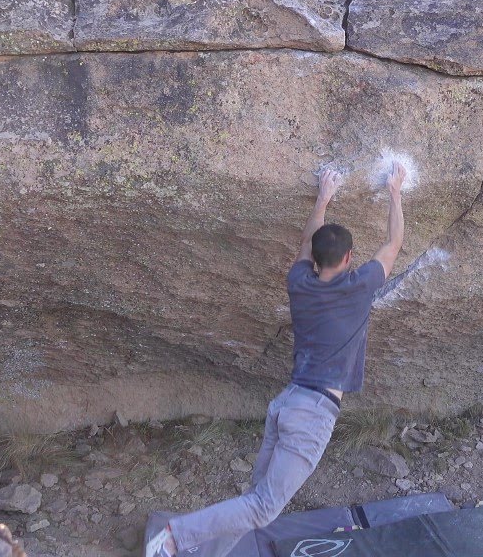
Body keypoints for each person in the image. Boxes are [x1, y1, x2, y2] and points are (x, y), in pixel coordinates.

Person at [147, 162, 408, 557]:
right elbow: (394, 244)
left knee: (255, 501)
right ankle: (173, 537)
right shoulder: (359, 288)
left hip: (288, 403)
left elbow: (305, 245)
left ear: (317, 260)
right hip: (312, 414)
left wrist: (323, 196)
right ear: (350, 257)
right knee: (264, 507)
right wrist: (395, 191)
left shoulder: (299, 282)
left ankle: (203, 553)